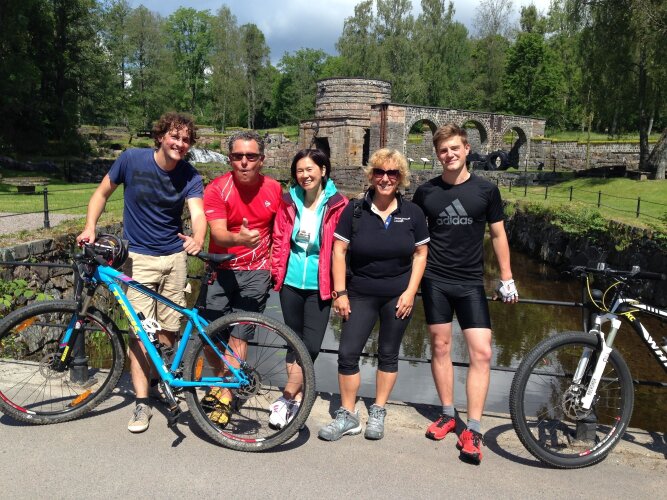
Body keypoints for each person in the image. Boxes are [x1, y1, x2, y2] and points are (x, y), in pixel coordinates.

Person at [76, 112, 206, 433]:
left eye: (186, 139)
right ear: (161, 136)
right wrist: (90, 226)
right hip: (138, 259)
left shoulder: (190, 175)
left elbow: (198, 212)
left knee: (168, 330)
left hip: (175, 259)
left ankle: (162, 384)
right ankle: (142, 401)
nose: (180, 143)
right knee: (140, 332)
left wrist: (198, 237)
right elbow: (101, 193)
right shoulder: (131, 160)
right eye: (174, 136)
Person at [412, 123, 519, 464]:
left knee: (482, 353)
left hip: (471, 281)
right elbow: (415, 240)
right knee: (440, 347)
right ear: (437, 154)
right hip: (435, 280)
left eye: (455, 148)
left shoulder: (486, 190)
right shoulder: (426, 192)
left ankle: (472, 427)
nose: (450, 155)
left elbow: (498, 235)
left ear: (467, 149)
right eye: (443, 150)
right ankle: (447, 414)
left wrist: (506, 278)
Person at [318, 148, 429, 441]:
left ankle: (378, 410)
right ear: (371, 175)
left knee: (388, 354)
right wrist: (340, 292)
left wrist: (411, 292)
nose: (385, 178)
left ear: (400, 177)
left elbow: (421, 254)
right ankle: (348, 414)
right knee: (347, 353)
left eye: (392, 173)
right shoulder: (354, 210)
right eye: (379, 172)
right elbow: (339, 251)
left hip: (398, 296)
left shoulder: (413, 213)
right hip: (360, 293)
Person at [200, 130, 282, 426]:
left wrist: (274, 265)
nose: (244, 162)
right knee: (208, 336)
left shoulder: (274, 189)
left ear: (262, 159)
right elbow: (219, 233)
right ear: (229, 159)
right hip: (220, 270)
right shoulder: (217, 189)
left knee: (239, 335)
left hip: (256, 272)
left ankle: (225, 395)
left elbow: (280, 231)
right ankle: (223, 381)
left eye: (251, 156)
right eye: (237, 156)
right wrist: (240, 239)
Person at [269, 149, 348, 429]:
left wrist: (341, 289)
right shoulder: (289, 200)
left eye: (310, 169)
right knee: (293, 342)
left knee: (310, 345)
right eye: (300, 170)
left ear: (323, 170)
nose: (305, 175)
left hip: (320, 285)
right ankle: (297, 401)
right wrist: (276, 272)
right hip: (290, 282)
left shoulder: (338, 204)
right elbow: (279, 238)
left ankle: (286, 396)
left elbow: (342, 248)